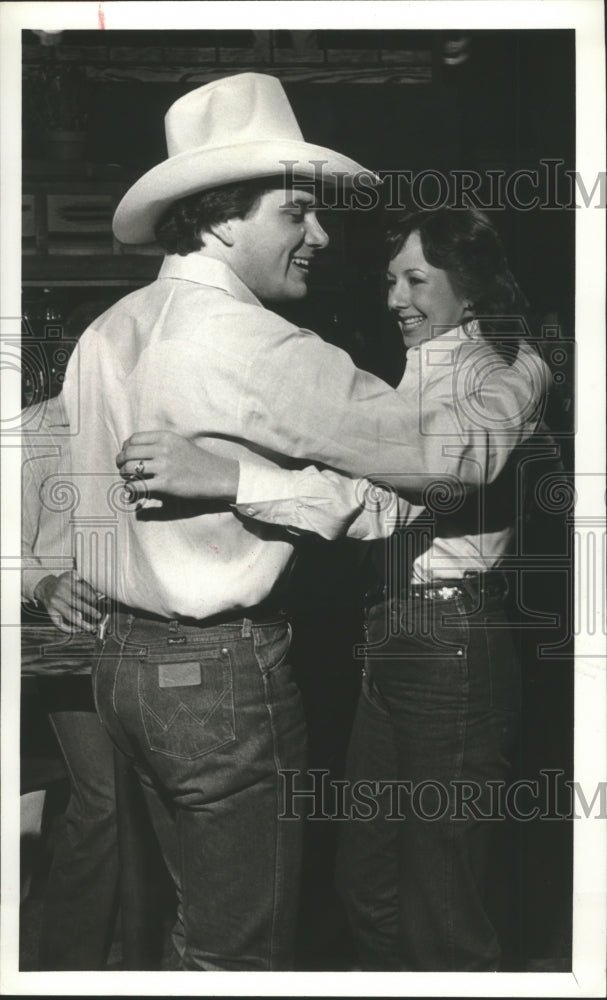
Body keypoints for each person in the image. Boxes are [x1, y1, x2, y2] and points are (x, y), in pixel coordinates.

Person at [61, 71, 546, 971]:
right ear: (220, 214)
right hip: (219, 680)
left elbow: (85, 511)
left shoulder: (108, 330)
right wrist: (536, 364)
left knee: (186, 928)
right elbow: (445, 460)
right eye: (296, 213)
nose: (321, 236)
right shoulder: (253, 344)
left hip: (122, 669)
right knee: (238, 956)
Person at [20, 394, 119, 970]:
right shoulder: (37, 428)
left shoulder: (159, 411)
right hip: (67, 642)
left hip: (151, 634)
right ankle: (65, 968)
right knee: (104, 797)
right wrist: (45, 584)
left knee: (143, 801)